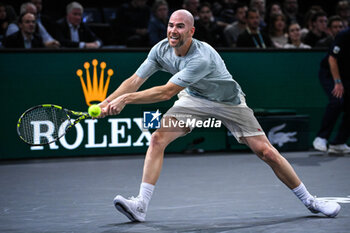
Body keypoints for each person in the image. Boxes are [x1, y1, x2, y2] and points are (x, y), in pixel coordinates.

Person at [98, 9, 341, 222]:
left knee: (267, 153)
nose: (173, 30)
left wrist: (126, 99)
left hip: (229, 103)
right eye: (171, 25)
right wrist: (107, 102)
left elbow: (167, 92)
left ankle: (311, 201)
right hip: (194, 99)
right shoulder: (160, 49)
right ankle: (140, 205)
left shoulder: (201, 57)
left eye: (180, 26)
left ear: (191, 31)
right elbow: (134, 80)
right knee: (157, 139)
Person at [313, 27, 350, 154]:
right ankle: (321, 138)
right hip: (329, 73)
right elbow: (332, 59)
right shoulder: (344, 35)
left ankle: (339, 143)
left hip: (346, 75)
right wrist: (338, 82)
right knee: (337, 101)